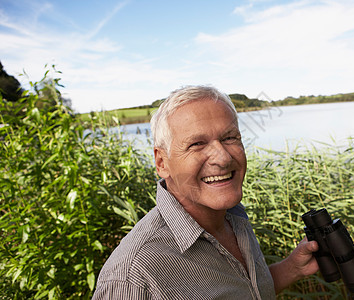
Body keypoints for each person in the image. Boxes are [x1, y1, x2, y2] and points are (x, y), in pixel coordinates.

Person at [92, 86, 319, 299]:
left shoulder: (232, 216)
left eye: (230, 138)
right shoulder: (132, 277)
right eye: (197, 144)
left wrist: (291, 269)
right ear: (162, 163)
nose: (223, 157)